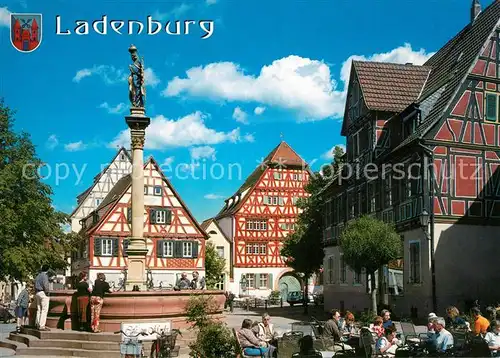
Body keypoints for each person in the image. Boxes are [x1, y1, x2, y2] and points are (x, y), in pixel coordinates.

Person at [34, 265, 51, 331]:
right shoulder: (45, 276)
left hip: (37, 292)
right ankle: (42, 326)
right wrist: (47, 292)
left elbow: (34, 284)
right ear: (48, 270)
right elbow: (45, 285)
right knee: (44, 310)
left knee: (39, 309)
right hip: (43, 293)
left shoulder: (38, 275)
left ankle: (37, 324)